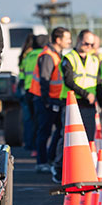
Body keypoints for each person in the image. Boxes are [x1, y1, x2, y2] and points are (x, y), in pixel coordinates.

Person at [30, 27, 70, 175]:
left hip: (55, 98)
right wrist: (47, 100)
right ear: (58, 40)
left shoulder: (56, 54)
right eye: (67, 38)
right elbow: (45, 79)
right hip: (45, 99)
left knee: (59, 130)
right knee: (45, 131)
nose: (69, 41)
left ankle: (50, 157)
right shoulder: (48, 55)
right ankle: (42, 162)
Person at [63, 30, 101, 143]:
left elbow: (98, 83)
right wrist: (86, 94)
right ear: (78, 40)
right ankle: (59, 160)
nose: (89, 47)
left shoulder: (94, 60)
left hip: (89, 105)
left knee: (88, 137)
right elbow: (69, 81)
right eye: (86, 43)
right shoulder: (69, 58)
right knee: (69, 138)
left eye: (92, 44)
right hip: (73, 103)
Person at [18, 34, 45, 155]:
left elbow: (22, 74)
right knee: (40, 121)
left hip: (28, 90)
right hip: (38, 91)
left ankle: (30, 145)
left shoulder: (28, 56)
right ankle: (37, 148)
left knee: (30, 120)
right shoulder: (43, 55)